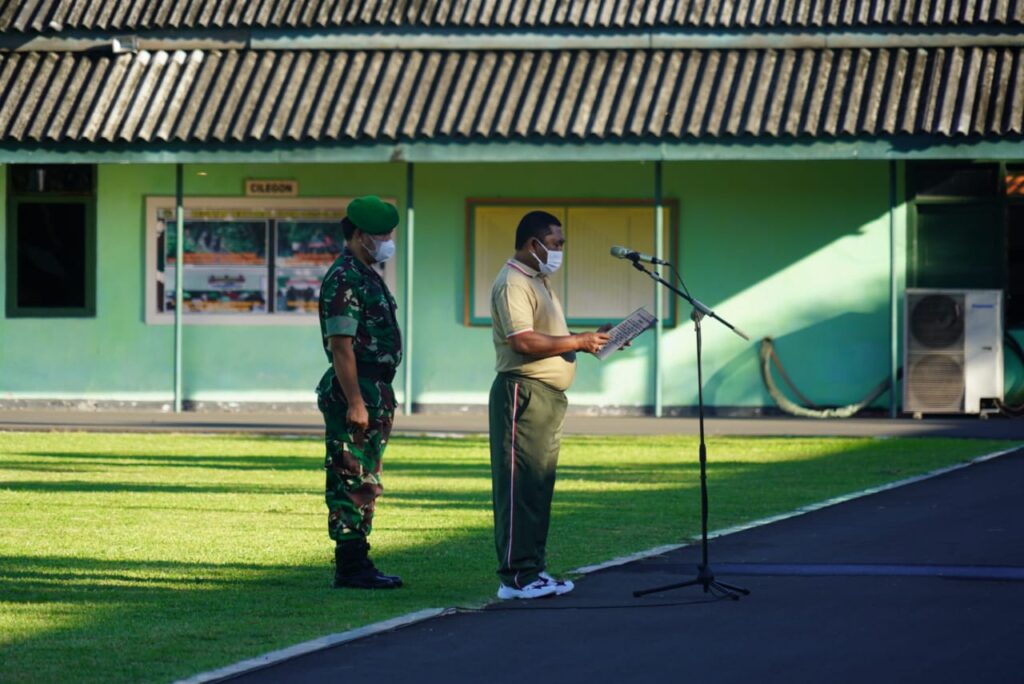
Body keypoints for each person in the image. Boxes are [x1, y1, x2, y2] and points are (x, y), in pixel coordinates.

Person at [488, 210, 611, 600]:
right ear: (533, 244)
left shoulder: (537, 280)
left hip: (546, 397)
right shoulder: (513, 282)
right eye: (556, 244)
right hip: (523, 393)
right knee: (520, 486)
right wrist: (577, 341)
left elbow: (547, 336)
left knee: (538, 486)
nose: (560, 251)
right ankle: (516, 578)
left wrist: (588, 340)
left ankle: (533, 570)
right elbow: (522, 341)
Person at [316, 195, 403, 589]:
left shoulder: (365, 273)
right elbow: (341, 345)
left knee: (365, 476)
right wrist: (355, 401)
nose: (387, 242)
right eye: (381, 235)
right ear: (359, 235)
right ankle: (350, 566)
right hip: (357, 388)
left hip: (374, 388)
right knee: (351, 475)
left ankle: (359, 559)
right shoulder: (345, 277)